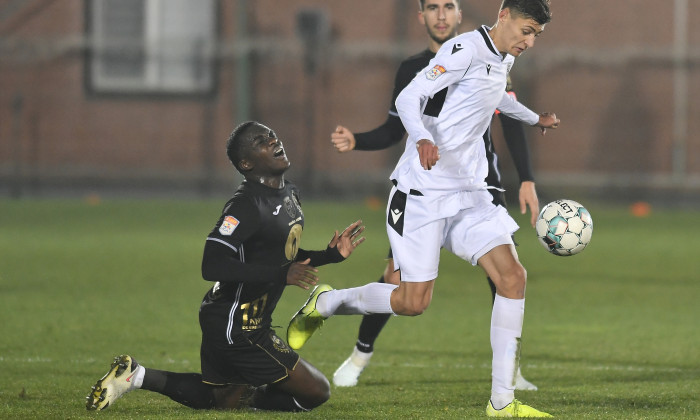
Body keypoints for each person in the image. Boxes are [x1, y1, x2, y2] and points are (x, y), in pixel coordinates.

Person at [288, 1, 559, 417]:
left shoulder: (502, 58)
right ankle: (326, 303)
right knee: (413, 302)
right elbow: (410, 95)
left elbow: (498, 100)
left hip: (469, 193)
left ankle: (502, 402)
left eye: (536, 35)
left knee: (512, 277)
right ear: (503, 14)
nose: (529, 41)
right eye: (526, 29)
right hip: (422, 192)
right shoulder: (464, 50)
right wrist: (421, 139)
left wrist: (534, 116)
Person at [85, 121, 366, 413]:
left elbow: (278, 253)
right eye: (261, 141)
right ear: (246, 163)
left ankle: (135, 375)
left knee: (224, 403)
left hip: (239, 318)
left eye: (271, 135)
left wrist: (328, 255)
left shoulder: (289, 193)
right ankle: (249, 392)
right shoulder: (245, 204)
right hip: (237, 323)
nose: (272, 140)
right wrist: (280, 275)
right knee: (316, 391)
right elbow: (213, 263)